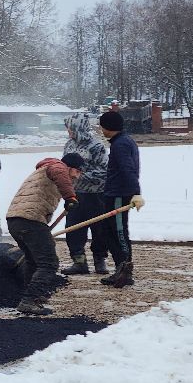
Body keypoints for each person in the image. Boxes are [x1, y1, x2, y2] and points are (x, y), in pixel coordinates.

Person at [6, 153, 83, 315]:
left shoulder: (43, 170)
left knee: (33, 261)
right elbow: (60, 172)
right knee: (49, 263)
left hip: (15, 220)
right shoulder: (57, 166)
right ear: (70, 167)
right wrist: (70, 197)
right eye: (78, 171)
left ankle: (29, 297)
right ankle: (29, 301)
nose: (78, 175)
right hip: (30, 220)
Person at [95, 109, 145, 287]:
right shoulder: (120, 142)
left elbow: (128, 170)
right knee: (108, 232)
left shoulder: (121, 144)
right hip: (112, 193)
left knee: (118, 232)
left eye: (102, 126)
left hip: (119, 195)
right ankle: (120, 269)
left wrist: (136, 192)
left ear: (109, 127)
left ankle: (125, 270)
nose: (101, 129)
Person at [59, 114, 111, 274]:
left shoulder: (96, 146)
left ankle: (99, 261)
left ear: (77, 127)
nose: (68, 131)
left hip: (96, 196)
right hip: (75, 195)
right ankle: (79, 262)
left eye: (70, 127)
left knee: (100, 230)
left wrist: (81, 176)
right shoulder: (69, 145)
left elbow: (104, 171)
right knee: (73, 229)